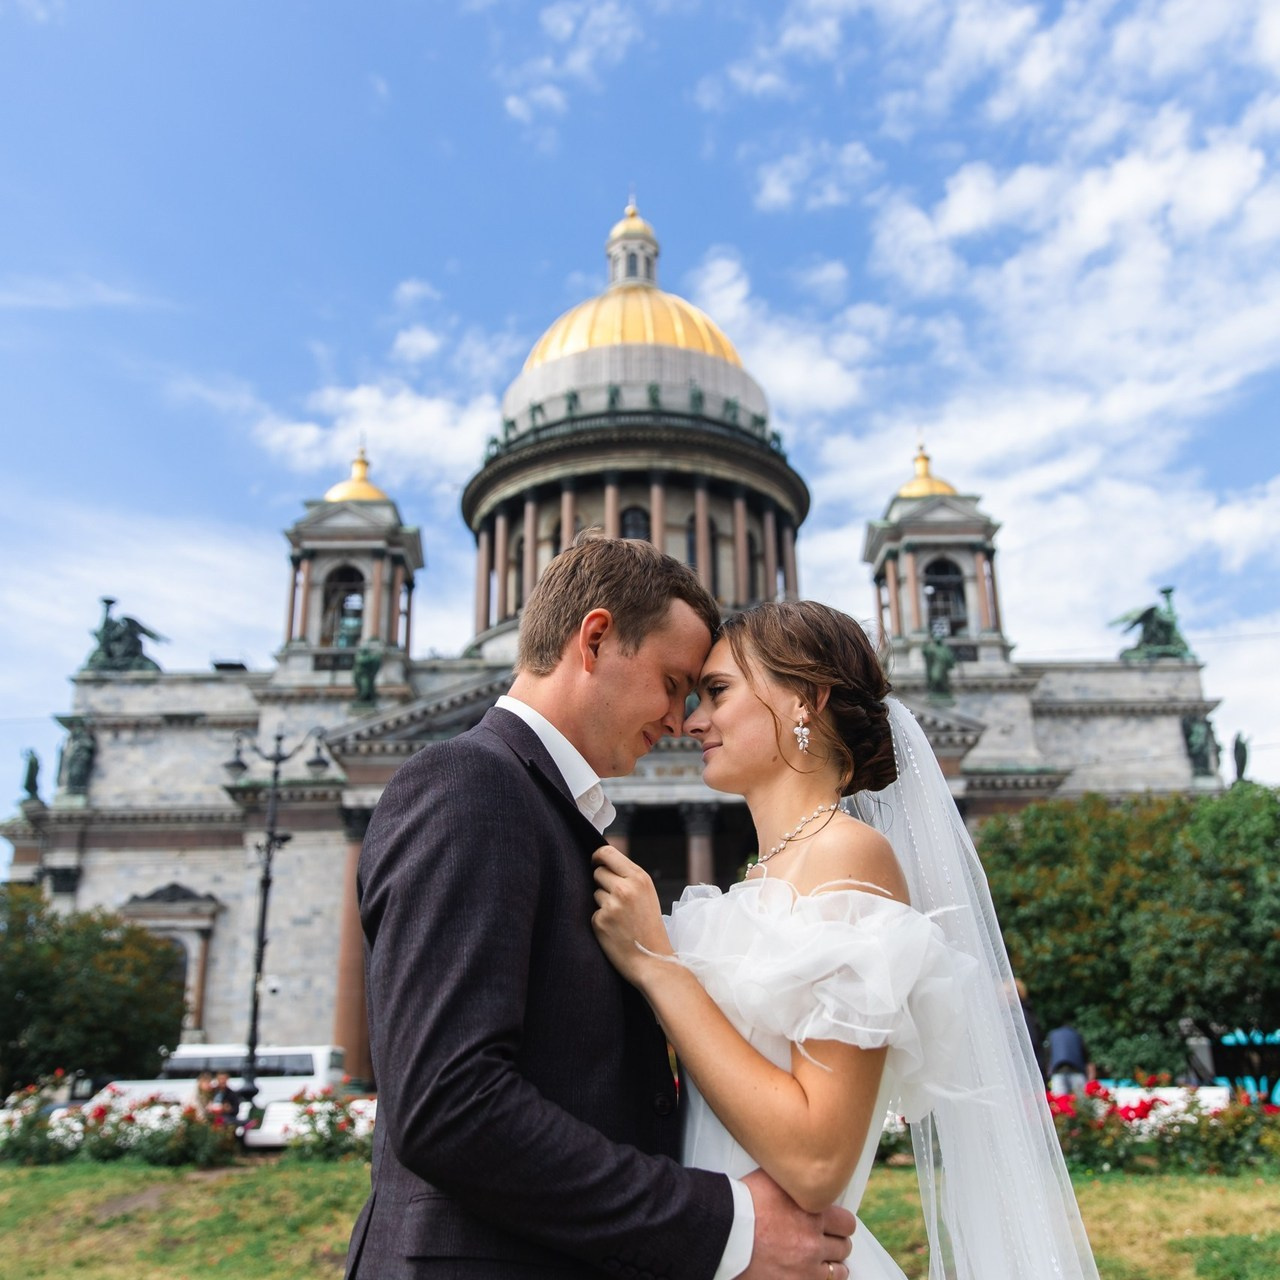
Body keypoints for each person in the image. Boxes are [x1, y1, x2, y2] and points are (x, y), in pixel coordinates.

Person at [346, 537, 856, 1280]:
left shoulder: (542, 808)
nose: (683, 720)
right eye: (675, 682)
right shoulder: (470, 787)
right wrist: (725, 1227)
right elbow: (449, 1105)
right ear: (595, 640)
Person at [593, 600, 1101, 1279]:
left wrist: (659, 967)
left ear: (806, 699)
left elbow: (816, 1160)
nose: (692, 721)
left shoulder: (848, 857)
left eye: (717, 692)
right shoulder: (768, 872)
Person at [1047, 1025, 1096, 1098]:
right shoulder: (1076, 1035)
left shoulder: (1052, 1035)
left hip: (1058, 1071)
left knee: (1059, 1101)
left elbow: (1049, 1055)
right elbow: (1086, 1056)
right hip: (1076, 1071)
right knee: (1081, 1102)